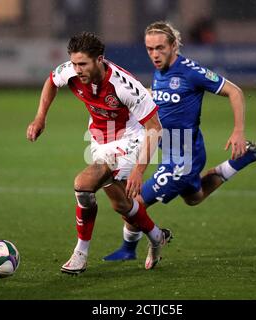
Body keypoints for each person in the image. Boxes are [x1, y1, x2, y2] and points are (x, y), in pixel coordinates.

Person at [103, 21, 256, 261]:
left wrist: (238, 131)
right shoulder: (161, 71)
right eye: (149, 49)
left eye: (160, 48)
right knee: (194, 197)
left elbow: (235, 92)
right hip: (171, 150)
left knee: (134, 202)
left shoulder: (191, 71)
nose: (154, 54)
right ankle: (245, 158)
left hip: (183, 155)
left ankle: (130, 248)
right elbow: (162, 98)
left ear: (174, 45)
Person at [26, 32, 172, 274]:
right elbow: (51, 81)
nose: (77, 69)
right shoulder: (71, 71)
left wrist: (139, 169)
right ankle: (157, 236)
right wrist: (40, 117)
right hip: (99, 139)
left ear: (100, 60)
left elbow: (155, 128)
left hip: (130, 138)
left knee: (84, 183)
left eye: (83, 64)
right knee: (121, 205)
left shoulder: (124, 86)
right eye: (74, 63)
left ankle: (80, 254)